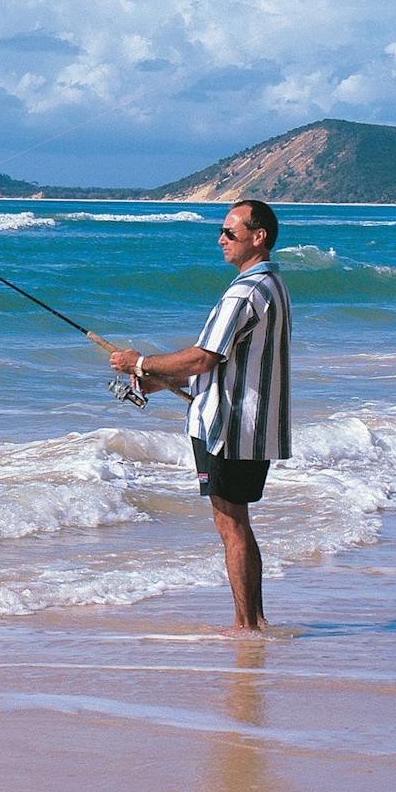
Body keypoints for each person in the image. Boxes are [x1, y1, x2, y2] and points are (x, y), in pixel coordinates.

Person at [109, 199, 291, 633]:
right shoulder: (272, 285)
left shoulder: (245, 292)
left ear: (258, 237)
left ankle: (245, 626)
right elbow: (226, 362)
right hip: (251, 426)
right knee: (237, 521)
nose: (221, 239)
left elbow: (204, 357)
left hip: (228, 428)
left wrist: (141, 363)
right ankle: (255, 620)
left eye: (230, 232)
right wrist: (158, 380)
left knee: (231, 523)